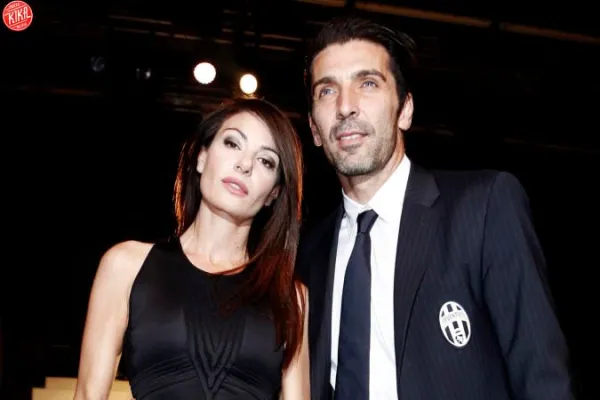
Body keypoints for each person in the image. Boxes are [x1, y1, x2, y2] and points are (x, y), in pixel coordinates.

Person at [295, 15, 573, 400]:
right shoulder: (309, 251)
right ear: (313, 128)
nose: (345, 107)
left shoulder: (483, 207)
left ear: (405, 110)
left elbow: (541, 375)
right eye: (327, 91)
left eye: (368, 83)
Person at [74, 98, 310, 400]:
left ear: (274, 193)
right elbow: (88, 394)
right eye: (232, 144)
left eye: (266, 161)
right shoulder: (126, 266)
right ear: (201, 156)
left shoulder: (290, 297)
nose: (245, 164)